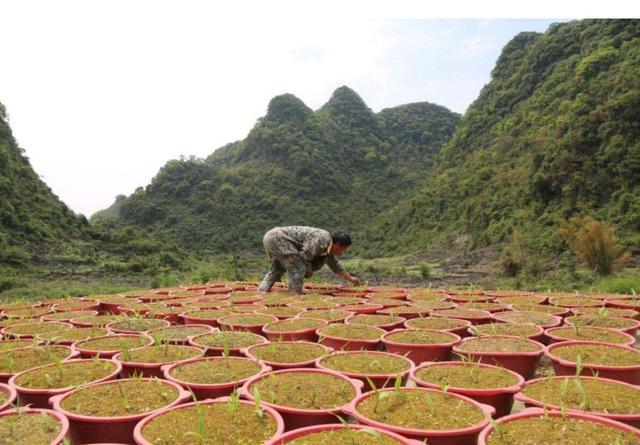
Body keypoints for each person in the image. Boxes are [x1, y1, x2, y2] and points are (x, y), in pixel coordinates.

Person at [257, 226, 361, 295]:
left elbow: (335, 265)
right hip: (278, 239)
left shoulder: (328, 249)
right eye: (343, 249)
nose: (341, 253)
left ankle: (262, 290)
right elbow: (304, 258)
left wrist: (350, 279)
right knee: (297, 266)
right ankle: (295, 293)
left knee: (278, 267)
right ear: (337, 244)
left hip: (271, 237)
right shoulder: (322, 239)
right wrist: (308, 270)